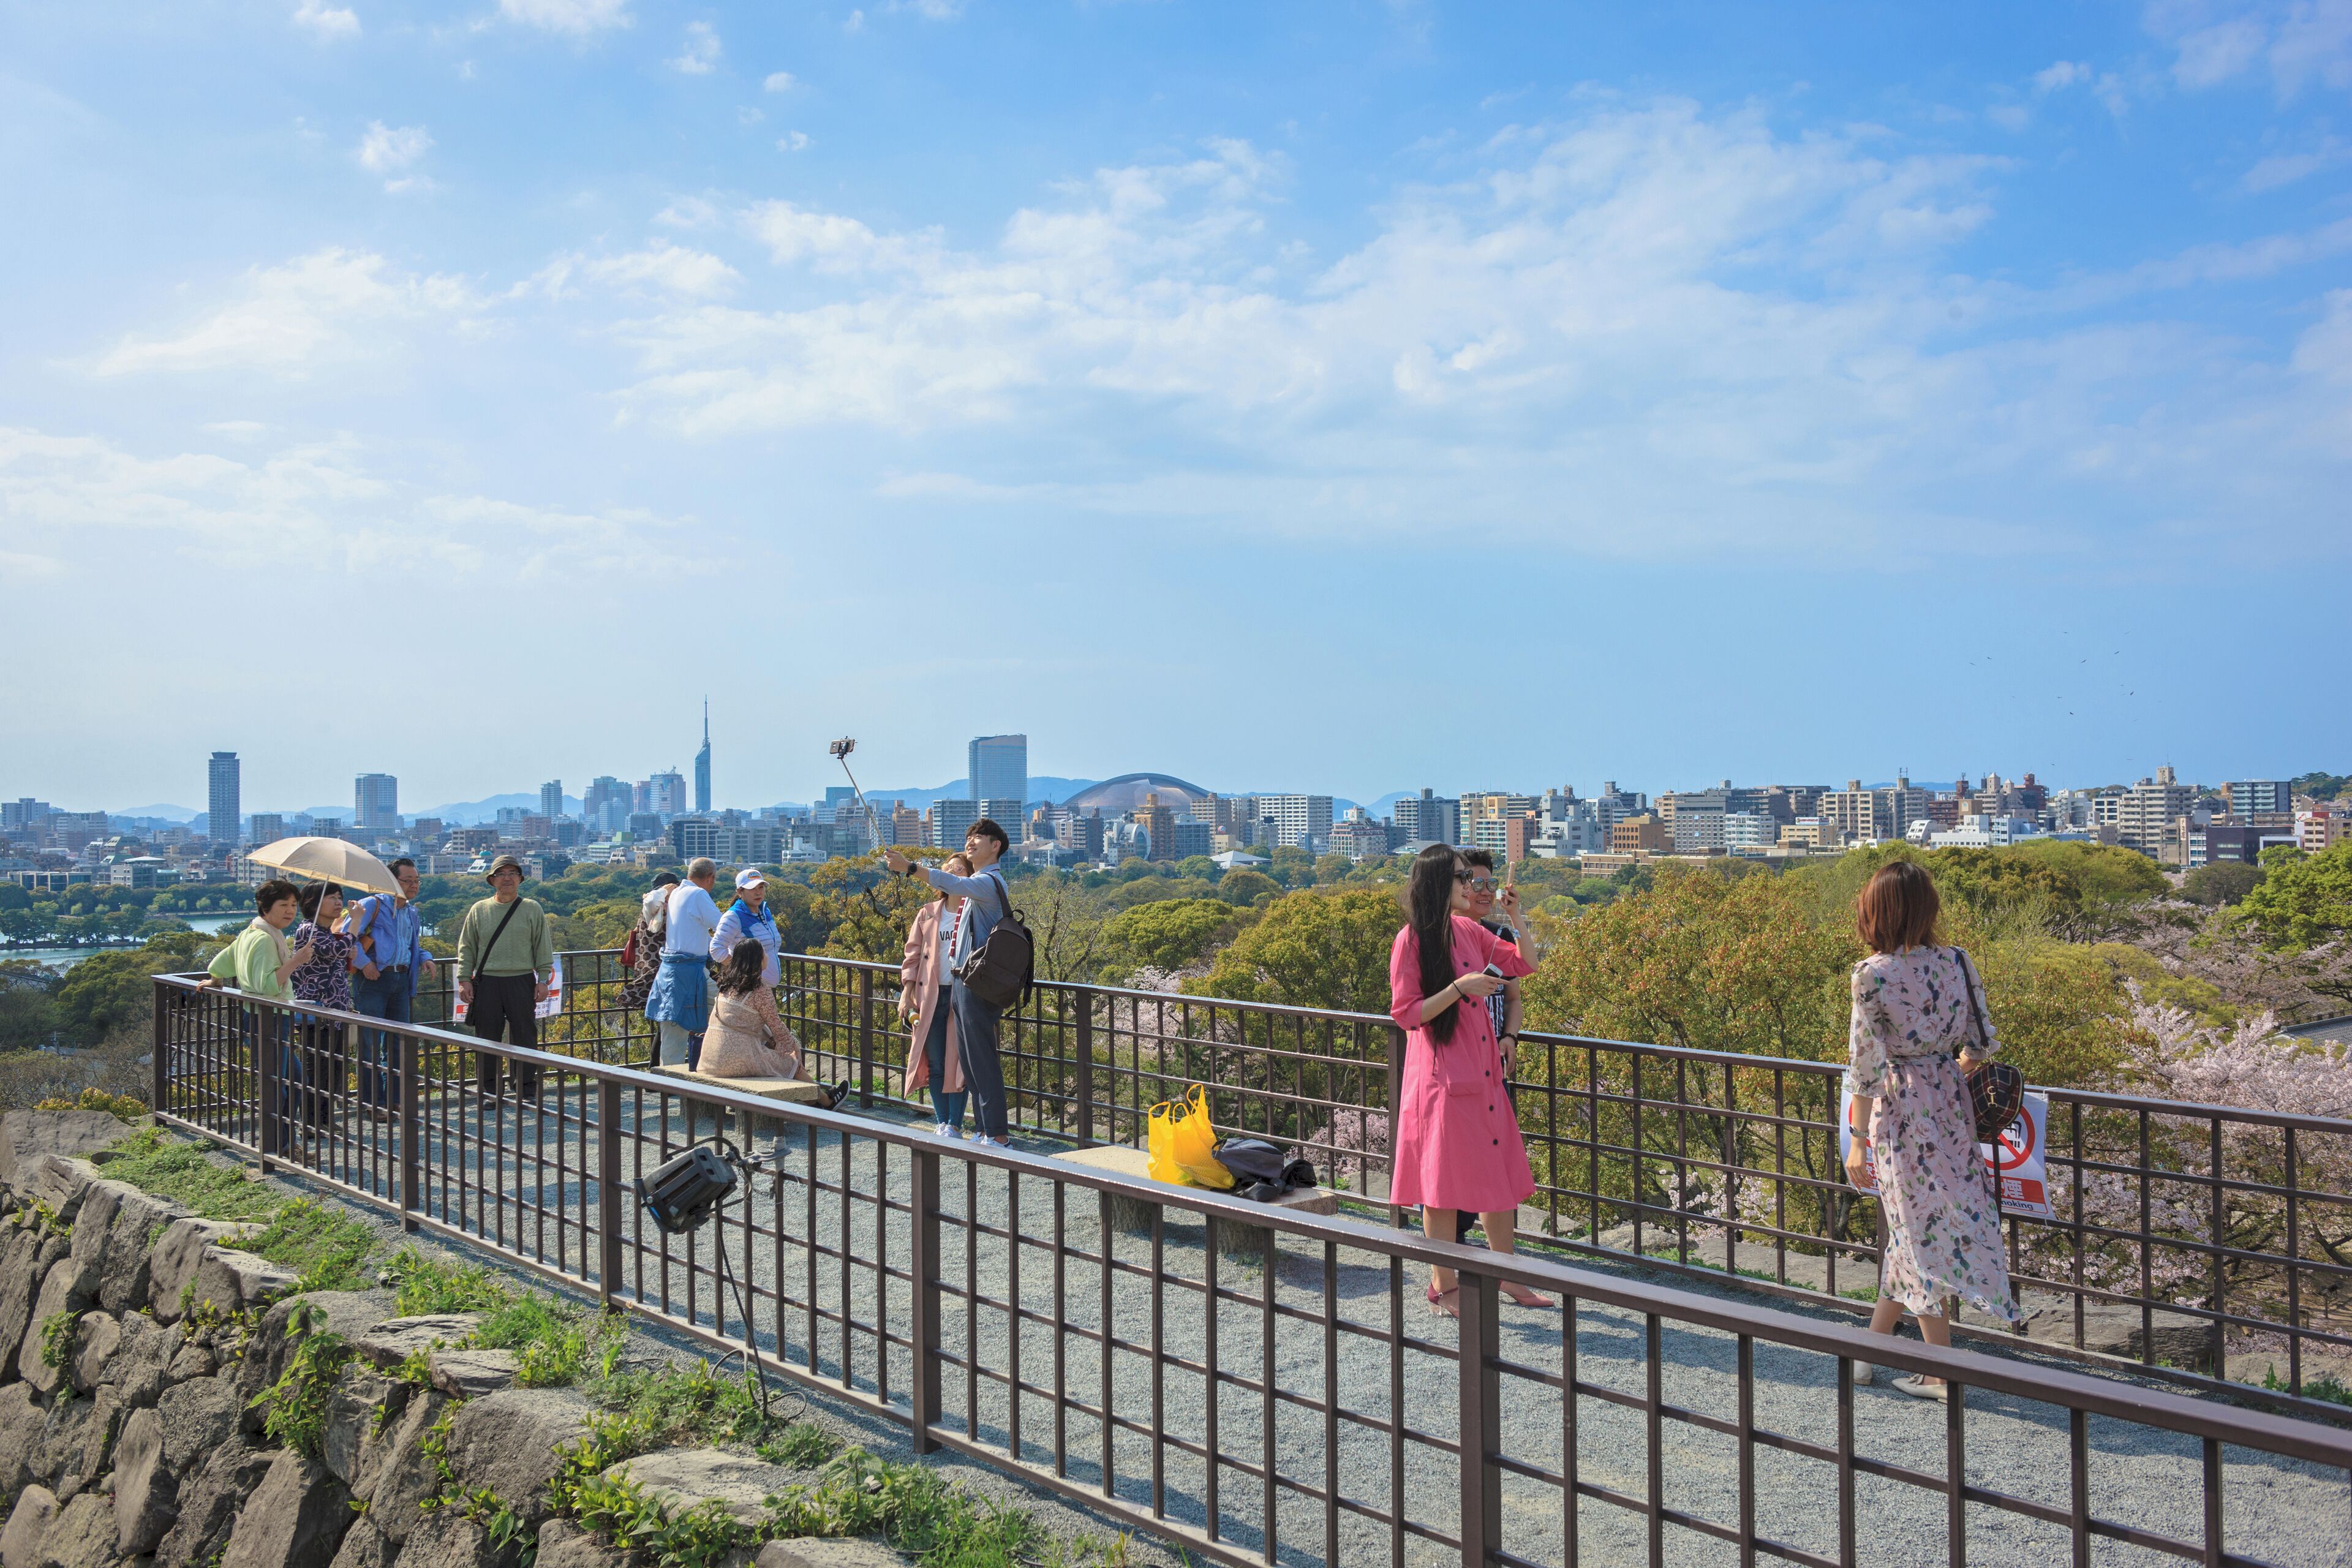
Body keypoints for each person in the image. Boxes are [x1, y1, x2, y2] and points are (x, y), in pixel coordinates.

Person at [1842, 860, 2020, 1398]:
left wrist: (1856, 1141)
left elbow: (1866, 1068)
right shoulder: (1957, 961)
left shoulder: (1871, 974)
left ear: (1878, 912)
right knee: (1916, 1226)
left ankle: (1941, 1372)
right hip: (1950, 1104)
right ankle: (1871, 1350)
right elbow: (1982, 1040)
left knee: (1915, 1231)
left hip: (1902, 1111)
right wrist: (1942, 1069)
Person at [1386, 844, 1549, 1317]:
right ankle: (1445, 1284)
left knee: (1495, 1181)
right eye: (1462, 877)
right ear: (1439, 882)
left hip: (1481, 1074)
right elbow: (1406, 1014)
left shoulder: (1468, 930)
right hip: (1439, 1080)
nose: (1470, 885)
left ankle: (1510, 1276)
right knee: (1440, 1188)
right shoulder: (1412, 940)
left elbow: (1527, 964)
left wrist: (1516, 917)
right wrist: (1459, 989)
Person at [882, 822, 1014, 1147]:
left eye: (978, 838)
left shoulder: (987, 882)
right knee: (970, 1059)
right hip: (964, 981)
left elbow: (953, 882)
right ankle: (983, 1130)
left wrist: (910, 867)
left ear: (995, 846)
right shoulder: (976, 886)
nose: (970, 842)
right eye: (968, 837)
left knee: (980, 1057)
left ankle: (997, 1132)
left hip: (976, 983)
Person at [1442, 850, 1535, 1248]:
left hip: (1492, 1066)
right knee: (1458, 1165)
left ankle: (1499, 1261)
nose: (1481, 891)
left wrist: (1510, 1037)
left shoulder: (1498, 937)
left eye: (1488, 884)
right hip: (1455, 1068)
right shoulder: (1438, 937)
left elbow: (1514, 997)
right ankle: (1454, 1259)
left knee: (1495, 1163)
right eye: (1473, 882)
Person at [203, 880, 314, 1148]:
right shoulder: (266, 939)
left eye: (293, 905)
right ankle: (277, 1146)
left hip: (256, 1017)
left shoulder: (251, 932)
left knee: (293, 1081)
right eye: (283, 905)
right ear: (266, 908)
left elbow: (220, 963)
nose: (290, 911)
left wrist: (215, 980)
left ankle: (286, 1142)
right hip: (270, 1018)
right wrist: (297, 960)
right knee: (278, 1085)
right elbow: (267, 986)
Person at [456, 854, 555, 1098]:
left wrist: (543, 980)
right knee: (487, 1037)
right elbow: (467, 946)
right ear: (492, 880)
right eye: (501, 874)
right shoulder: (480, 909)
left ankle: (525, 1088)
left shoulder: (532, 908)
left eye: (512, 874)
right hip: (487, 981)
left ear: (521, 879)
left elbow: (542, 946)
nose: (507, 878)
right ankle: (489, 1091)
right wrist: (464, 979)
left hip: (522, 979)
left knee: (525, 1034)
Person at [898, 852, 973, 1137]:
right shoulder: (928, 912)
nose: (953, 873)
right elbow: (913, 956)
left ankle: (955, 1123)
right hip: (930, 996)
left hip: (962, 996)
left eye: (959, 869)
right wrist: (906, 993)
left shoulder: (975, 911)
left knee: (959, 1063)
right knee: (937, 1062)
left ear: (969, 876)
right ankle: (943, 1122)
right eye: (948, 870)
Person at [348, 859, 430, 1110]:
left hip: (401, 979)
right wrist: (364, 964)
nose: (414, 885)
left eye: (416, 880)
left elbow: (409, 945)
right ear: (392, 881)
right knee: (369, 1043)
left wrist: (426, 958)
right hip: (373, 979)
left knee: (398, 1043)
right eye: (408, 881)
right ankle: (372, 1102)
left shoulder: (411, 912)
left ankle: (396, 1101)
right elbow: (346, 938)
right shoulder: (372, 905)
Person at [284, 881, 354, 1134]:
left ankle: (325, 1119)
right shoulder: (308, 930)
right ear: (313, 902)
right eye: (332, 898)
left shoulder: (326, 931)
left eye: (340, 897)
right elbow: (337, 950)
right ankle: (310, 1122)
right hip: (316, 1012)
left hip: (335, 1011)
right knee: (317, 1069)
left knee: (334, 1069)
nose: (338, 903)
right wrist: (354, 923)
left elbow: (338, 955)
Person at [647, 858, 722, 1069]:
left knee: (672, 1028)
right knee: (725, 1009)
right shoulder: (698, 894)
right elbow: (722, 925)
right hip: (690, 970)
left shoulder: (677, 893)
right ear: (710, 878)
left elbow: (692, 931)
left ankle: (669, 1082)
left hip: (671, 969)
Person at [700, 938, 806, 1080]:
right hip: (738, 1060)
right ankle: (826, 1101)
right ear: (759, 959)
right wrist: (795, 1049)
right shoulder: (759, 990)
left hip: (709, 1060)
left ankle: (824, 1099)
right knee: (792, 1064)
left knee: (782, 1061)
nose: (767, 955)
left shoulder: (726, 986)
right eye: (764, 952)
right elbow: (777, 1026)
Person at [618, 870, 682, 1019]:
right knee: (664, 1017)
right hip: (654, 969)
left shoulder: (671, 907)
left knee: (667, 1017)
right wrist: (664, 890)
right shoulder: (653, 907)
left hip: (665, 969)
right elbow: (652, 900)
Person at [710, 869, 782, 990]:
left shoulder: (765, 911)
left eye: (761, 887)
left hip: (764, 988)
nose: (758, 892)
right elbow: (716, 949)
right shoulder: (734, 916)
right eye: (752, 888)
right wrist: (742, 971)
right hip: (747, 988)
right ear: (740, 892)